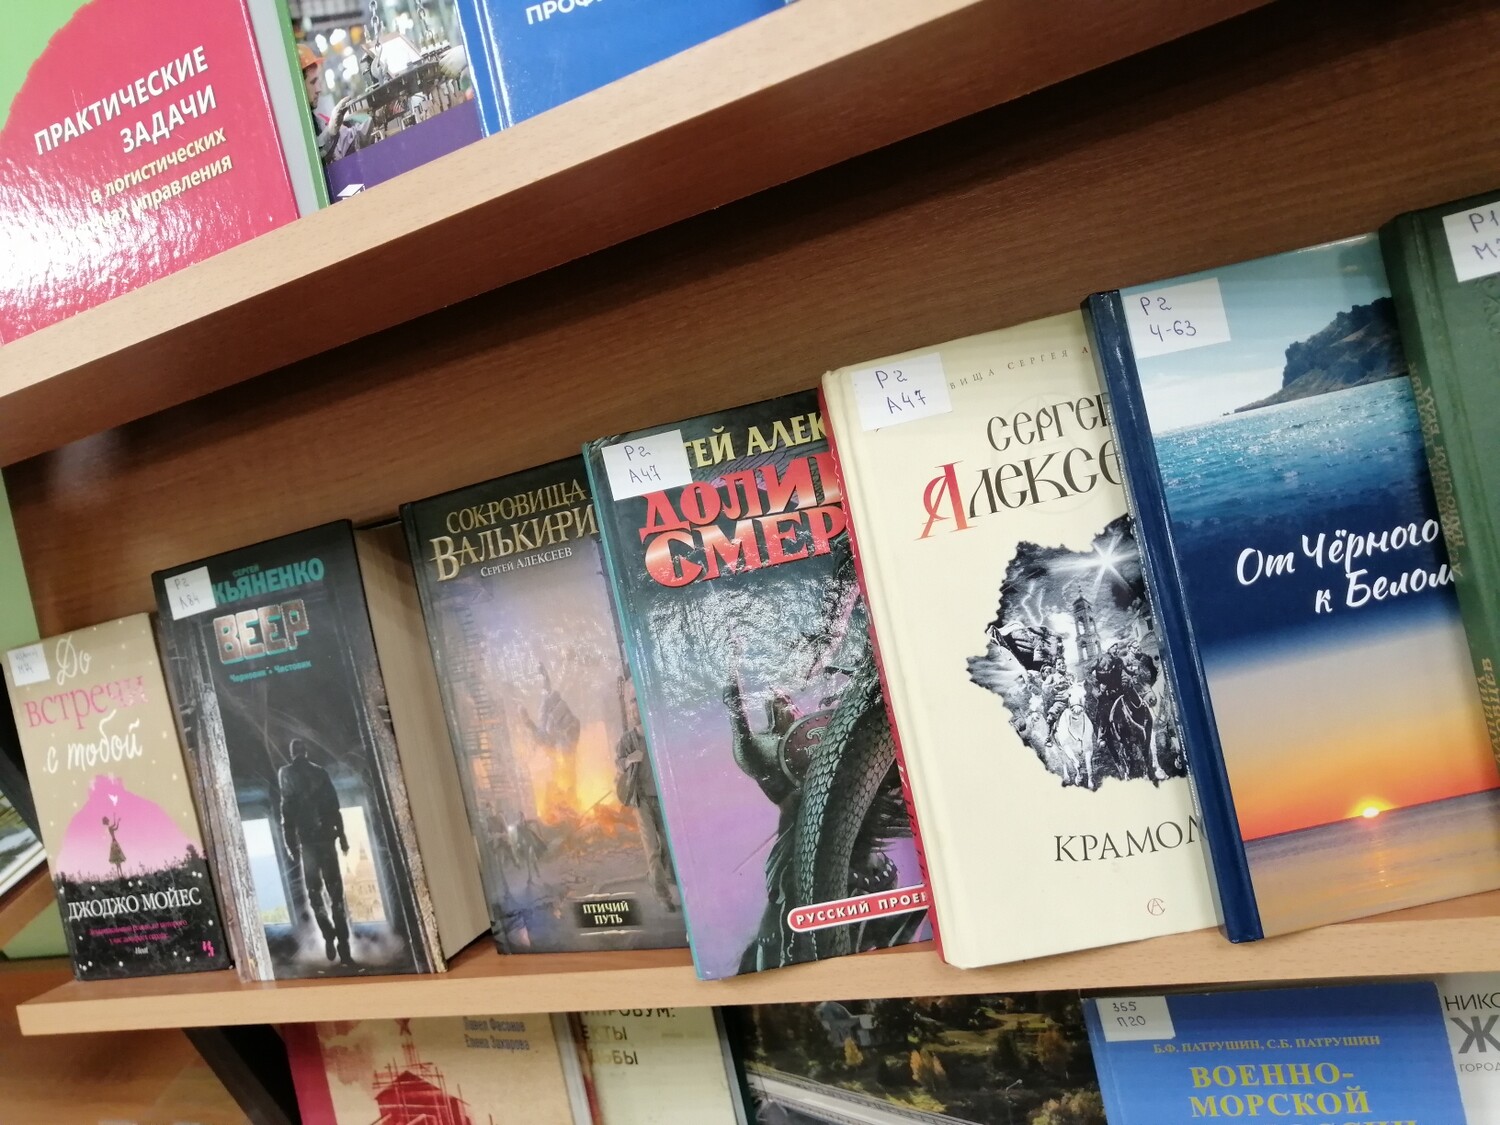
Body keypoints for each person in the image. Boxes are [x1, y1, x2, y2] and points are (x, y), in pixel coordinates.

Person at [278, 738, 353, 966]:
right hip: (325, 840)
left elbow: (287, 815)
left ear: (292, 753)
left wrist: (291, 846)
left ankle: (330, 934)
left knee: (316, 894)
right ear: (306, 752)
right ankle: (343, 943)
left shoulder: (286, 774)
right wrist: (342, 837)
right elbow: (334, 807)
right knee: (335, 895)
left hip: (309, 843)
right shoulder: (320, 773)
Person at [614, 681, 678, 911]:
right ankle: (663, 896)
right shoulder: (626, 741)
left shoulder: (655, 737)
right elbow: (618, 763)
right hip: (640, 801)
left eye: (636, 710)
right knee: (652, 850)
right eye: (631, 712)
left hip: (660, 798)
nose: (634, 715)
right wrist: (629, 760)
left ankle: (655, 877)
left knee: (667, 846)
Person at [298, 44, 359, 164]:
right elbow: (313, 160)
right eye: (313, 82)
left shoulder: (315, 120)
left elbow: (346, 142)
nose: (319, 89)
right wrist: (331, 130)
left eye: (318, 81)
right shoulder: (297, 129)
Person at [103, 815, 125, 879]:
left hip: (114, 841)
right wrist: (115, 818)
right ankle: (119, 874)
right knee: (117, 860)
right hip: (114, 842)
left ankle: (120, 874)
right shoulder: (109, 828)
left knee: (118, 860)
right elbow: (115, 825)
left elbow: (116, 828)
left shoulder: (110, 828)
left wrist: (118, 821)